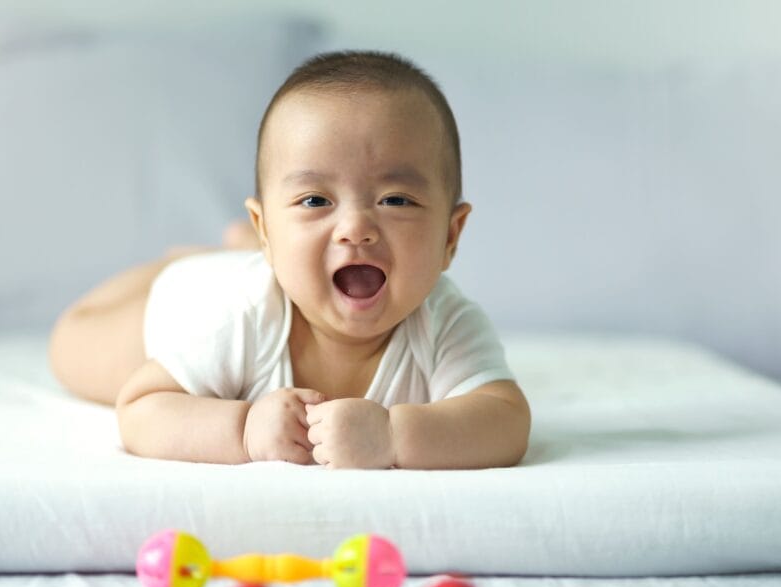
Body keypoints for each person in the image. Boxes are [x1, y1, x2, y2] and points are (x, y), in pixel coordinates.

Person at [48, 50, 530, 469]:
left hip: (268, 264)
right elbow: (140, 407)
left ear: (451, 235)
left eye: (396, 200)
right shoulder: (241, 318)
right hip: (179, 302)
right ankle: (207, 258)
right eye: (316, 201)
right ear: (267, 229)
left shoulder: (444, 322)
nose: (356, 228)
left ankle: (242, 247)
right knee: (70, 344)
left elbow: (505, 419)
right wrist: (243, 429)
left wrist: (393, 435)